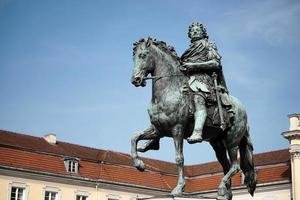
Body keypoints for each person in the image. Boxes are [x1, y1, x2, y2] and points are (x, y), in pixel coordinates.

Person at [180, 22, 228, 143]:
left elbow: (216, 63)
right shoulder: (188, 51)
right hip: (187, 80)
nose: (195, 32)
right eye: (192, 31)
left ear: (203, 32)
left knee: (198, 98)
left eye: (197, 30)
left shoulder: (208, 45)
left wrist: (194, 65)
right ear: (189, 34)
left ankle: (197, 132)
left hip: (203, 79)